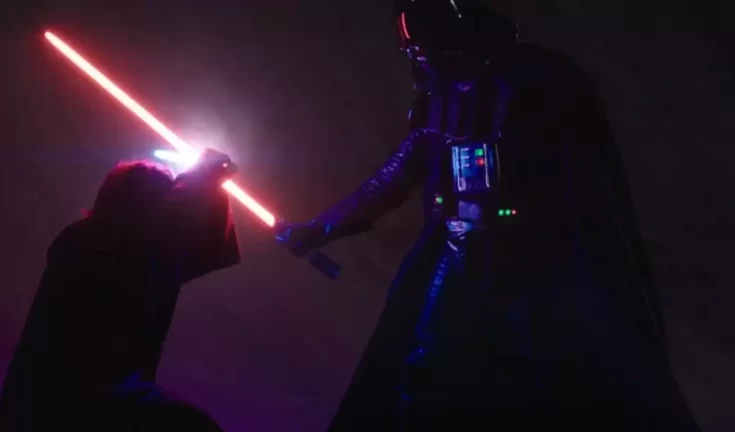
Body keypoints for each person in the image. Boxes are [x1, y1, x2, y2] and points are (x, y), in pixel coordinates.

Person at [277, 1, 701, 430]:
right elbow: (396, 175)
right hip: (459, 254)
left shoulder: (537, 81)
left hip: (535, 262)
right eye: (408, 38)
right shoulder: (439, 98)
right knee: (422, 369)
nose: (414, 49)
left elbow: (578, 177)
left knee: (559, 378)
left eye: (419, 33)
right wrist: (321, 228)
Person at [0, 149, 239, 432]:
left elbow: (209, 248)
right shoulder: (90, 239)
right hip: (60, 401)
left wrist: (210, 183)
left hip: (88, 402)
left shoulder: (149, 256)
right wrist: (203, 175)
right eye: (164, 191)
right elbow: (168, 231)